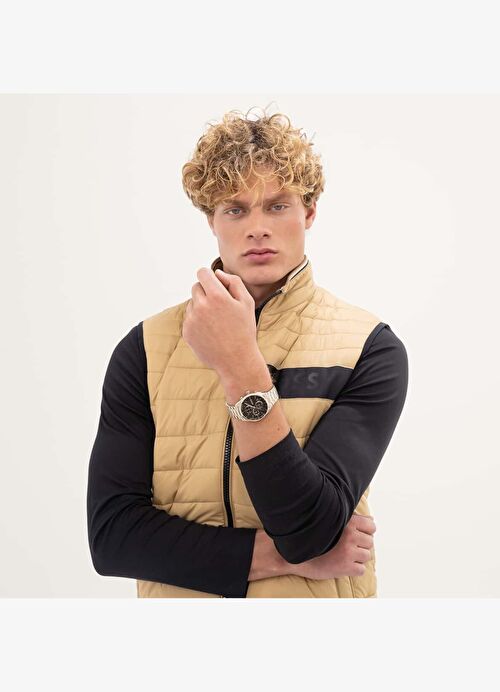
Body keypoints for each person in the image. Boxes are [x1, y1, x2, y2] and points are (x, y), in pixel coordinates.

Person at [86, 106, 409, 598]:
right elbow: (112, 539)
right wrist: (279, 557)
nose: (257, 227)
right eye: (235, 209)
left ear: (309, 212)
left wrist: (239, 365)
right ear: (211, 220)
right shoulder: (145, 349)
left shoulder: (368, 348)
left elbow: (308, 528)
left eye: (277, 206)